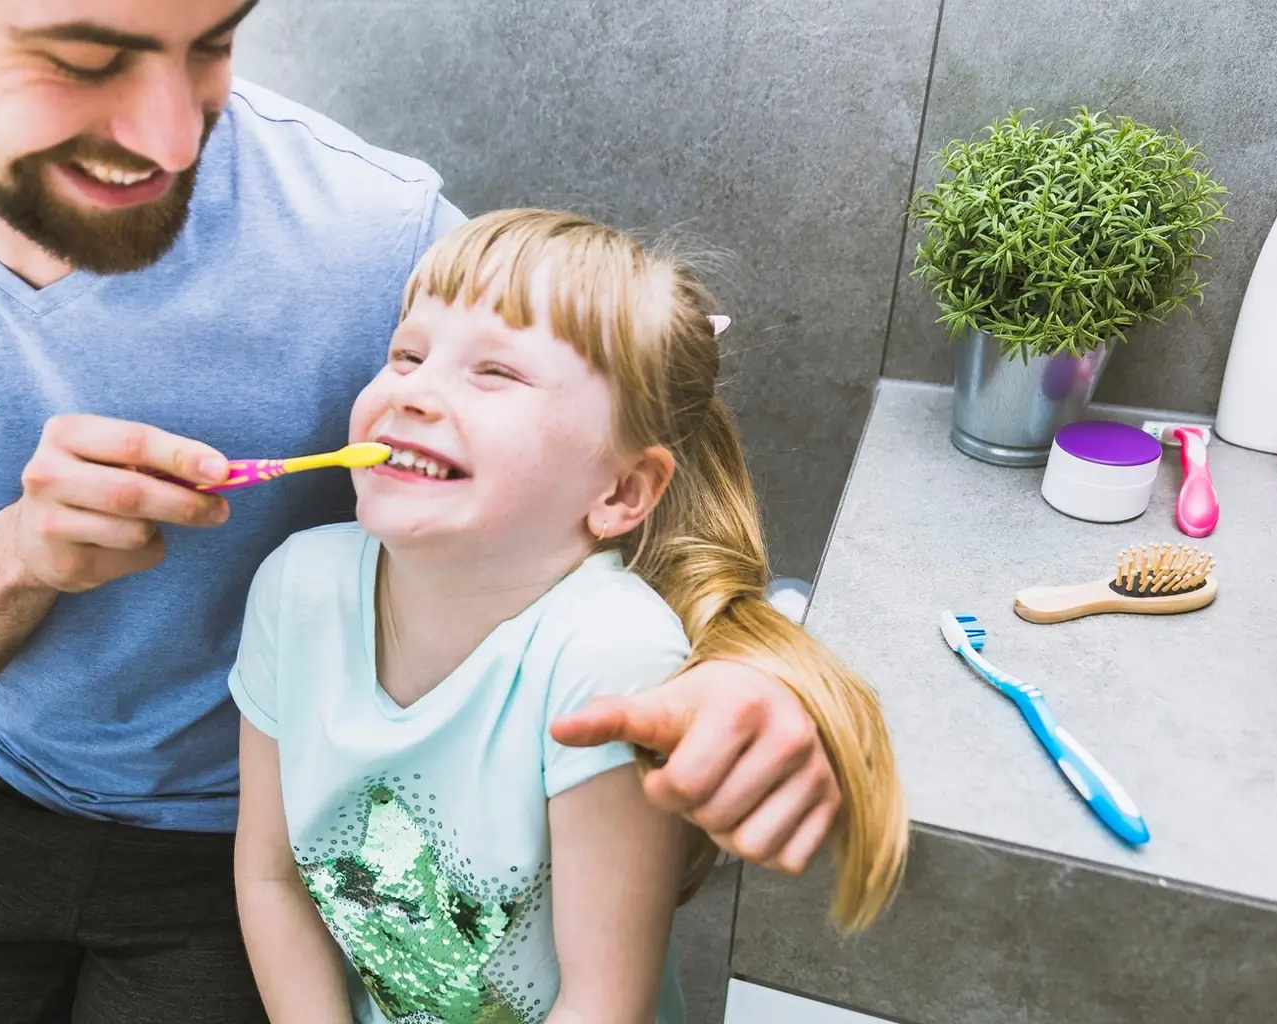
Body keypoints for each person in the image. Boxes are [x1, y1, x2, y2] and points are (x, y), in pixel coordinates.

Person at [0, 2, 858, 1020]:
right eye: (85, 57)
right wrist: (16, 555)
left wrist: (767, 679)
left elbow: (632, 472)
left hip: (245, 829)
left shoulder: (372, 231)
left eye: (210, 44)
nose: (169, 135)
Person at [230, 209, 907, 1024]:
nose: (412, 390)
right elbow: (269, 876)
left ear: (621, 492)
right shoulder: (294, 588)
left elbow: (602, 1001)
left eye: (495, 373)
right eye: (407, 354)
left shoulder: (608, 656)